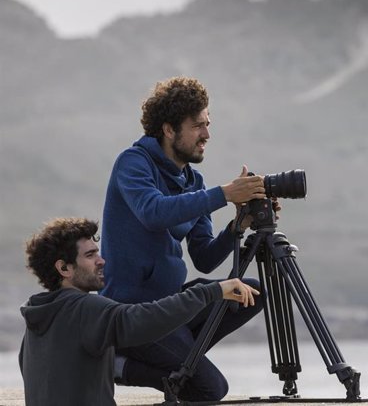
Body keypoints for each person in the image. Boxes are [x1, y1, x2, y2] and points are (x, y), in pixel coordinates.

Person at [100, 76, 274, 401]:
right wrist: (224, 194)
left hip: (172, 304)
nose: (207, 134)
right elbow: (153, 212)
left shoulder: (194, 181)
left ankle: (176, 357)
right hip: (132, 312)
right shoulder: (133, 163)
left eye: (207, 124)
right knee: (210, 388)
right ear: (169, 130)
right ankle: (120, 364)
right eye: (198, 126)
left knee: (254, 291)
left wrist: (238, 224)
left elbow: (204, 257)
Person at [19, 217, 259, 406]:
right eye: (90, 255)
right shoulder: (85, 308)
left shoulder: (34, 324)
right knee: (208, 387)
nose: (101, 261)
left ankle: (123, 365)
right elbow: (145, 319)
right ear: (64, 268)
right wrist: (212, 292)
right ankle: (124, 366)